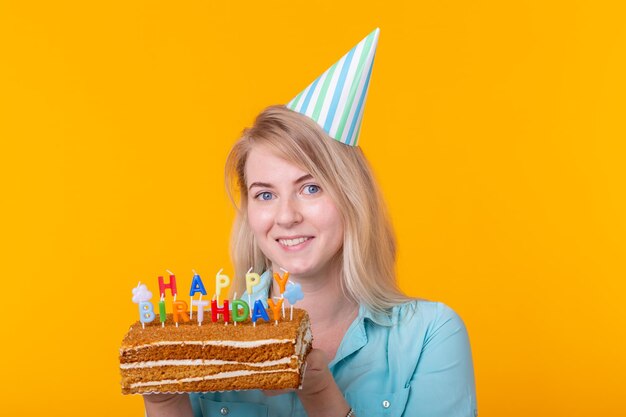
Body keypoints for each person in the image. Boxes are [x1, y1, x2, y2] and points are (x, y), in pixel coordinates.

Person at [144, 29, 477, 417]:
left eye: (311, 188)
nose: (286, 216)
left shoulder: (429, 335)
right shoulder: (209, 338)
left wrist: (320, 395)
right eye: (265, 195)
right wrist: (164, 403)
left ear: (352, 196)